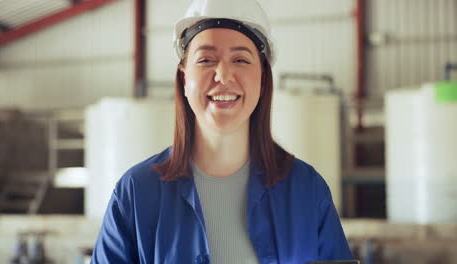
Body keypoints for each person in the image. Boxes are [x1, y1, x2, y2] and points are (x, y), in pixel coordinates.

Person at [91, 0, 353, 263]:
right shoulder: (137, 193)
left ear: (263, 78)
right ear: (184, 79)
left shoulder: (306, 190)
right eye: (206, 59)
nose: (224, 75)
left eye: (241, 59)